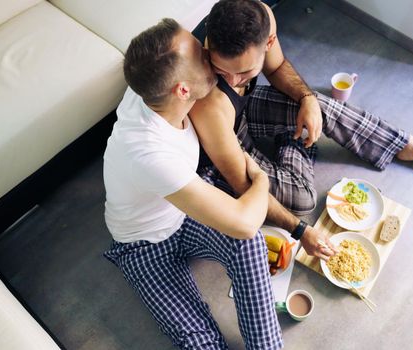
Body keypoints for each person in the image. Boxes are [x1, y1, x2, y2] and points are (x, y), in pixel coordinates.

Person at [189, 0, 413, 258]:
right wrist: (300, 230)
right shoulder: (207, 103)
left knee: (317, 106)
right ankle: (293, 137)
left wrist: (307, 99)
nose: (234, 80)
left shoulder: (261, 17)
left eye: (245, 72)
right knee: (303, 201)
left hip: (246, 107)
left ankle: (402, 144)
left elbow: (277, 67)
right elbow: (246, 185)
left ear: (268, 41)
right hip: (227, 145)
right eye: (222, 70)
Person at [102, 19, 283, 350]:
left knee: (251, 245)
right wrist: (261, 179)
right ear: (182, 90)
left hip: (184, 213)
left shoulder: (154, 86)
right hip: (144, 246)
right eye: (202, 54)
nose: (209, 51)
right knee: (199, 342)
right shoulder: (147, 152)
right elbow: (243, 221)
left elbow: (244, 232)